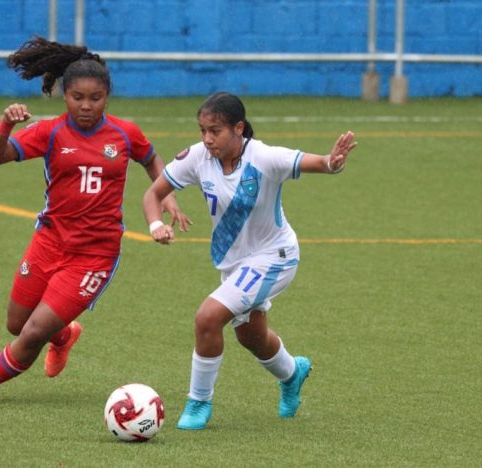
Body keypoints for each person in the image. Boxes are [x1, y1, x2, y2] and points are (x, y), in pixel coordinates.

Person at [0, 37, 189, 403]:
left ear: (107, 96)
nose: (86, 106)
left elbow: (150, 158)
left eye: (95, 98)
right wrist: (4, 126)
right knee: (16, 323)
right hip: (49, 241)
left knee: (32, 332)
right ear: (63, 95)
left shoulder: (124, 133)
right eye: (77, 97)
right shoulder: (51, 131)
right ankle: (65, 334)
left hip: (94, 255)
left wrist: (166, 194)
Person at [142, 92, 356, 429]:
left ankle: (198, 402)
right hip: (235, 265)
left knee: (207, 318)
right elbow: (153, 193)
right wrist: (156, 225)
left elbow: (317, 163)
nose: (207, 139)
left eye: (215, 131)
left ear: (238, 128)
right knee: (251, 337)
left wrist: (332, 162)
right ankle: (292, 373)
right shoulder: (198, 157)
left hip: (276, 257)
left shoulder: (265, 158)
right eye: (202, 130)